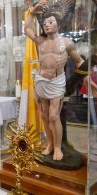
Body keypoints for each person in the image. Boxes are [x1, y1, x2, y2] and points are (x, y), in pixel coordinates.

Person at [25, 0, 84, 160]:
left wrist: (84, 76)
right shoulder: (40, 41)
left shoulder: (66, 43)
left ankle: (58, 147)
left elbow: (79, 62)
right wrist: (32, 12)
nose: (46, 25)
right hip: (41, 82)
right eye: (44, 23)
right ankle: (50, 144)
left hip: (57, 83)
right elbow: (27, 28)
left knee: (53, 116)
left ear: (58, 24)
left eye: (50, 22)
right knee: (44, 115)